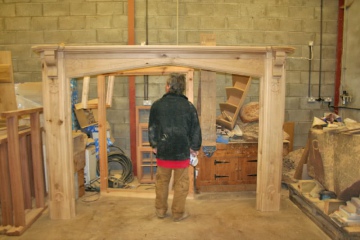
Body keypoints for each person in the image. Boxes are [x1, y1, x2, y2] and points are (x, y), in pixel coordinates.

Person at [148, 73, 202, 222]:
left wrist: (154, 144)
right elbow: (195, 129)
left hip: (163, 151)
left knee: (162, 182)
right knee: (181, 184)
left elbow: (152, 127)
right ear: (182, 88)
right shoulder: (189, 106)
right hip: (182, 152)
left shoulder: (157, 105)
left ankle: (160, 211)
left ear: (168, 87)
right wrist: (194, 147)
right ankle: (178, 214)